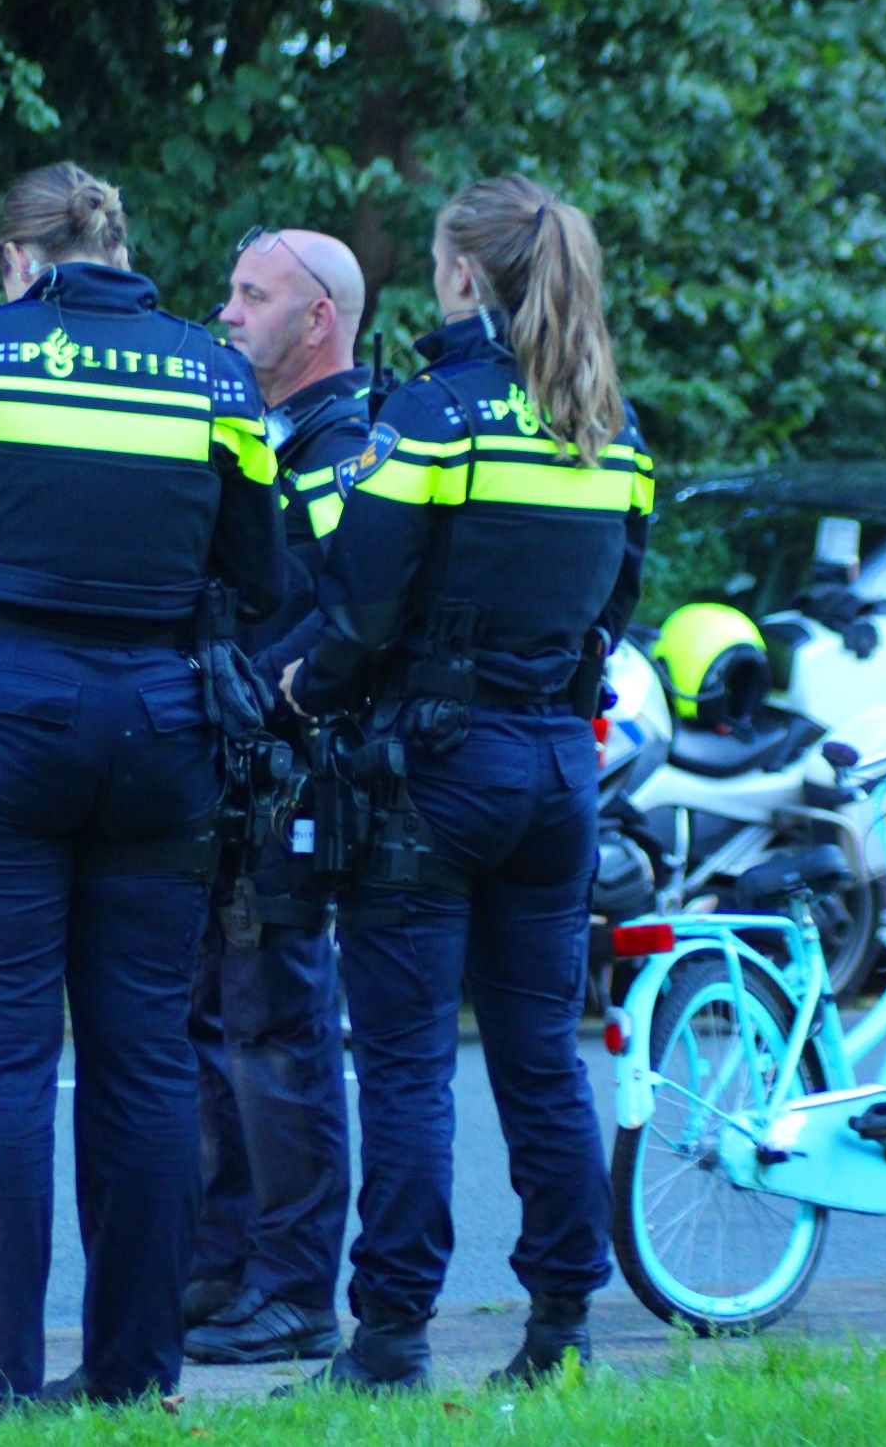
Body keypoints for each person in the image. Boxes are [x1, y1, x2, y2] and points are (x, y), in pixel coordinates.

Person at [0, 163, 284, 1417]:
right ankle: (133, 1371)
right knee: (147, 1056)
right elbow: (257, 571)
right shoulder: (217, 374)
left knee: (0, 1057)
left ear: (18, 259)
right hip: (162, 729)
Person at [280, 174, 653, 1391]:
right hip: (558, 769)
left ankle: (390, 1335)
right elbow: (615, 608)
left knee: (403, 1061)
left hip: (434, 771)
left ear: (460, 277)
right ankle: (560, 1330)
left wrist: (303, 689)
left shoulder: (438, 415)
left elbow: (361, 595)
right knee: (542, 1051)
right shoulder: (618, 431)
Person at [184, 228, 370, 1365]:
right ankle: (225, 1262)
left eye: (254, 295)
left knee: (280, 1029)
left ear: (318, 319)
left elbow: (349, 610)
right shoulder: (262, 430)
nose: (228, 310)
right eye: (231, 287)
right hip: (227, 770)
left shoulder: (349, 445)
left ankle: (297, 1285)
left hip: (290, 774)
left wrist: (250, 698)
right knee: (216, 1022)